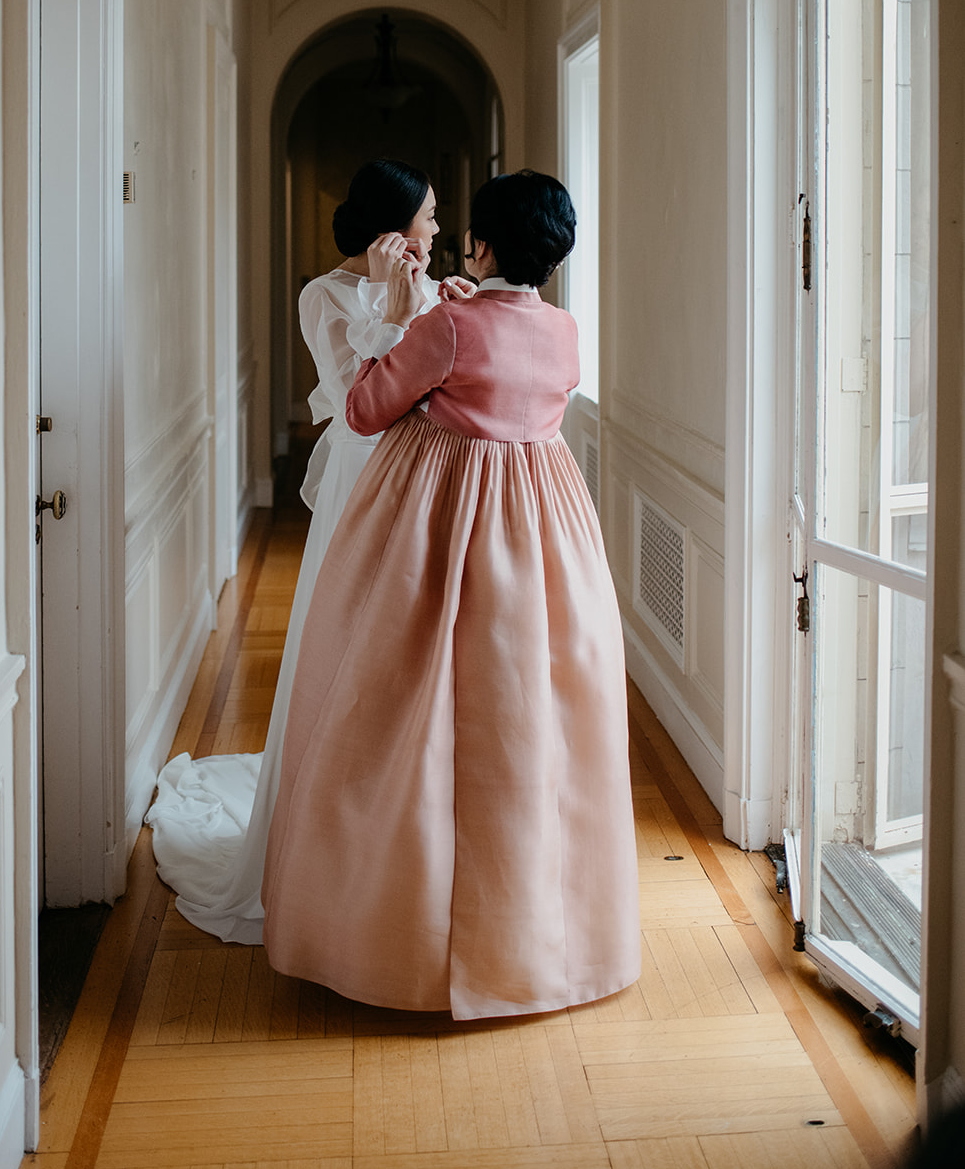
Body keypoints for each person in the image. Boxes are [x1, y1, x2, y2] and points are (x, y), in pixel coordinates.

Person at [262, 170, 641, 1021]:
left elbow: (363, 409)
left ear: (486, 243)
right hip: (545, 530)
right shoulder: (566, 329)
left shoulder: (447, 323)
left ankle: (394, 928)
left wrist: (408, 337)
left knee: (406, 711)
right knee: (529, 724)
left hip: (440, 521)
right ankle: (537, 937)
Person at [147, 159, 472, 943]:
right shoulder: (322, 295)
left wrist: (449, 303)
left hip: (430, 477)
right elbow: (359, 396)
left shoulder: (432, 286)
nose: (437, 230)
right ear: (392, 228)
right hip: (364, 477)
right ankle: (326, 836)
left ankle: (404, 827)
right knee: (353, 640)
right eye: (427, 217)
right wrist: (399, 306)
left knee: (415, 650)